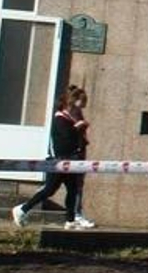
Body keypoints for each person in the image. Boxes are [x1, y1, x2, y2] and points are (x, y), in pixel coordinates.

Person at [13, 86, 94, 229]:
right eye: (79, 105)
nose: (80, 111)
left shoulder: (71, 119)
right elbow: (66, 139)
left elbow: (75, 140)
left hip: (70, 160)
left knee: (72, 190)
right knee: (49, 190)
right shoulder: (60, 119)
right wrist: (78, 128)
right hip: (58, 161)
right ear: (71, 103)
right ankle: (23, 209)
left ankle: (70, 220)